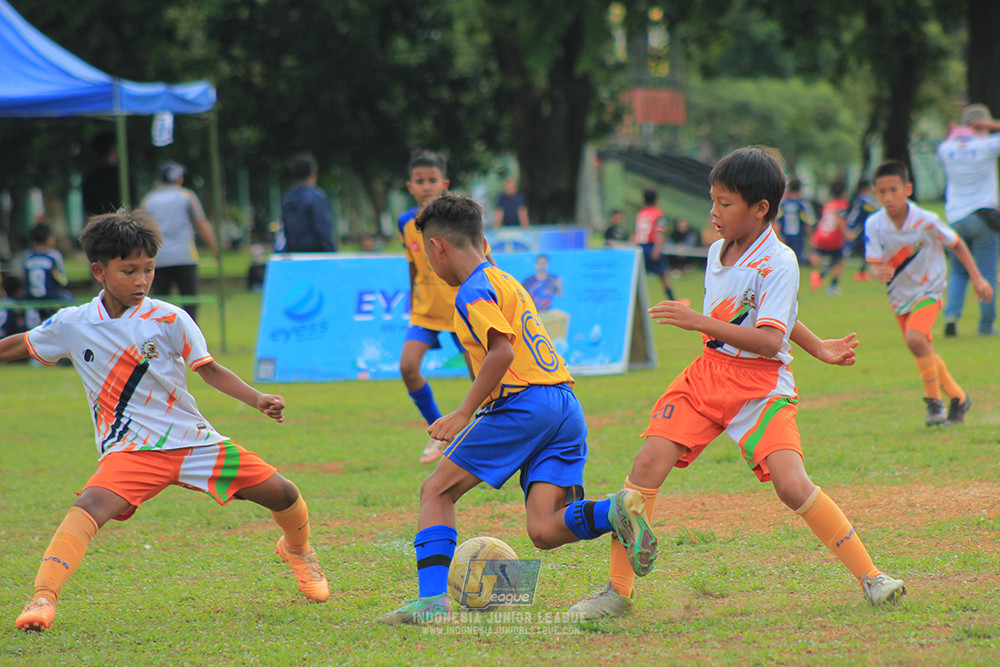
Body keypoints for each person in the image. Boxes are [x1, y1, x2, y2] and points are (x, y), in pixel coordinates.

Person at [569, 147, 906, 620]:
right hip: (707, 375)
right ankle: (617, 593)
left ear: (760, 208)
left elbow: (768, 340)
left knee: (791, 484)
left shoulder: (781, 260)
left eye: (725, 203)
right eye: (713, 200)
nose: (713, 212)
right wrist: (816, 346)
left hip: (761, 384)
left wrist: (695, 320)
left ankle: (874, 578)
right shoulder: (716, 250)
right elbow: (761, 309)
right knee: (645, 467)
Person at [1, 209, 329, 633]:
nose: (141, 281)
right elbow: (22, 344)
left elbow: (208, 369)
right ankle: (43, 599)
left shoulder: (170, 317)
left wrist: (258, 398)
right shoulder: (74, 323)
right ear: (100, 271)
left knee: (283, 493)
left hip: (195, 443)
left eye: (149, 269)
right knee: (88, 508)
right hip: (132, 451)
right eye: (129, 270)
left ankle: (298, 551)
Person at [376, 193, 657, 625]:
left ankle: (432, 604)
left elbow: (501, 353)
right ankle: (613, 510)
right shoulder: (505, 280)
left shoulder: (470, 293)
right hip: (563, 405)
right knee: (543, 529)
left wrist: (462, 413)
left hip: (523, 404)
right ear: (483, 241)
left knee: (436, 491)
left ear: (437, 248)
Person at [866, 160, 991, 426]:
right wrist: (877, 272)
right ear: (875, 193)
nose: (888, 197)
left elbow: (956, 244)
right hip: (899, 294)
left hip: (929, 289)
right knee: (922, 347)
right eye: (882, 191)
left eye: (894, 190)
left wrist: (977, 278)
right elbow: (873, 262)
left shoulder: (926, 220)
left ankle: (934, 404)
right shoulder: (874, 224)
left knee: (914, 338)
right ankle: (959, 397)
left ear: (908, 188)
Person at [397, 152, 495, 464]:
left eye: (432, 180)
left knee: (480, 378)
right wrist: (412, 296)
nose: (426, 186)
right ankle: (438, 431)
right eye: (420, 181)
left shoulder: (459, 220)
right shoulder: (405, 223)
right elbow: (412, 264)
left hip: (460, 311)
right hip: (425, 311)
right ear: (410, 186)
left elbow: (485, 260)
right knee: (408, 367)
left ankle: (489, 436)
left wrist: (498, 290)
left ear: (445, 184)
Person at [936, 104, 1000, 337]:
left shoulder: (947, 148)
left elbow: (940, 150)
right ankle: (985, 325)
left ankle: (951, 316)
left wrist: (951, 133)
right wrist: (991, 126)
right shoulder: (987, 145)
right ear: (981, 124)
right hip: (983, 217)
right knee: (986, 271)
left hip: (954, 219)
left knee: (958, 272)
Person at [140, 161, 218, 321]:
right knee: (190, 302)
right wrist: (214, 246)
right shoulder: (186, 196)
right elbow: (201, 223)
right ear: (178, 178)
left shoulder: (149, 200)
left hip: (158, 257)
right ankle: (189, 338)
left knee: (160, 303)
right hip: (185, 256)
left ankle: (161, 338)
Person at [274, 154, 337, 253]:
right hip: (315, 252)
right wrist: (329, 250)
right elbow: (322, 230)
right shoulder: (317, 197)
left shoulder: (287, 197)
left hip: (293, 252)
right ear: (313, 172)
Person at [17, 223, 75, 329]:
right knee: (70, 299)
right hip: (51, 296)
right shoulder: (53, 255)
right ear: (48, 239)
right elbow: (62, 280)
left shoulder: (26, 256)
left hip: (30, 297)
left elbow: (22, 278)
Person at [809, 180, 852, 295]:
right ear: (843, 193)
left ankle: (818, 275)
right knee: (839, 261)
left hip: (821, 236)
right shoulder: (842, 205)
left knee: (823, 257)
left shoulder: (828, 204)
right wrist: (848, 234)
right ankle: (832, 286)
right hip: (833, 238)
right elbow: (839, 220)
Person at [634, 189, 677, 301]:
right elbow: (659, 231)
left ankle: (634, 301)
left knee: (638, 277)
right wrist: (657, 248)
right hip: (651, 246)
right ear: (656, 200)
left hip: (639, 247)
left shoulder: (641, 213)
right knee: (664, 275)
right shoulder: (658, 213)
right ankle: (673, 301)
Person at [82, 132, 129, 218]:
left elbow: (88, 212)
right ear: (113, 150)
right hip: (122, 225)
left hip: (99, 226)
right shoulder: (124, 176)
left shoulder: (90, 179)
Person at [774, 178, 815, 264]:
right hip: (798, 237)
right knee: (796, 262)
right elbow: (808, 223)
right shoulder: (803, 204)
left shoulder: (783, 204)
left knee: (784, 262)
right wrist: (811, 239)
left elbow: (777, 222)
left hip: (785, 236)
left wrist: (778, 236)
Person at [846, 179, 878, 281]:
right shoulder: (864, 198)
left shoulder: (858, 198)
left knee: (865, 248)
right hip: (856, 226)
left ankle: (862, 272)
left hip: (858, 225)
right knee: (847, 249)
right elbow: (873, 207)